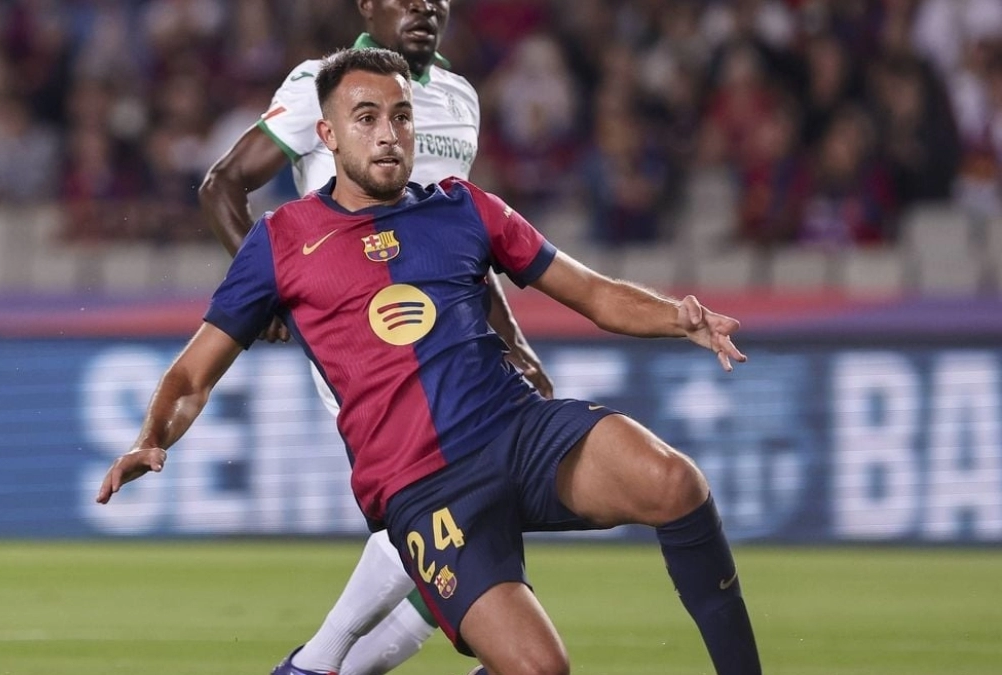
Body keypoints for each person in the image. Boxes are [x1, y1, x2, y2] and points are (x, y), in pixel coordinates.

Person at [101, 48, 761, 675]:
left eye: (401, 116)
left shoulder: (462, 206)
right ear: (327, 134)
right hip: (427, 487)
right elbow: (193, 373)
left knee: (676, 482)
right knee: (540, 666)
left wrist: (679, 315)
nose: (388, 134)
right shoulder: (282, 239)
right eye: (367, 118)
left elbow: (589, 290)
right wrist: (151, 438)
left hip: (517, 431)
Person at [198, 2, 552, 674]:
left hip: (453, 338)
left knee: (460, 528)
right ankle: (323, 658)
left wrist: (513, 338)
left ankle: (325, 666)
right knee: (441, 500)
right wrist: (274, 293)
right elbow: (222, 186)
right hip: (363, 337)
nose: (422, 6)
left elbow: (459, 233)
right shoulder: (321, 86)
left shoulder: (458, 97)